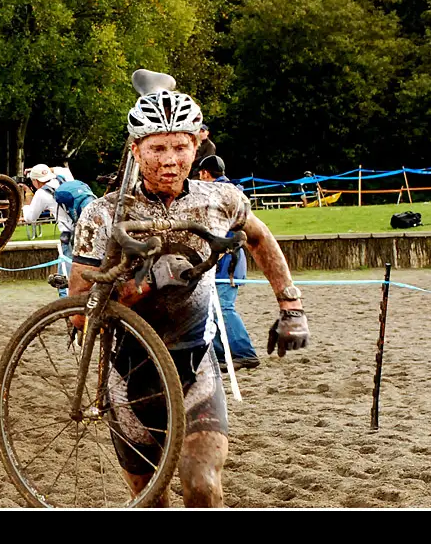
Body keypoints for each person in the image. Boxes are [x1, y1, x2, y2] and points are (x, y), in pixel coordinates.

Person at [68, 85, 309, 508]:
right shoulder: (103, 214)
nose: (169, 161)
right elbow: (78, 313)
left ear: (198, 143)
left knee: (202, 488)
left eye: (180, 147)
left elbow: (259, 236)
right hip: (129, 374)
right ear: (135, 149)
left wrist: (290, 306)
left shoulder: (220, 199)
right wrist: (130, 288)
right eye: (157, 147)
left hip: (196, 365)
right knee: (150, 499)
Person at [197, 155, 260, 371]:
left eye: (200, 174)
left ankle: (244, 352)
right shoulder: (233, 193)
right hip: (226, 260)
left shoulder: (218, 195)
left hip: (227, 262)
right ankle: (220, 355)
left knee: (223, 308)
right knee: (210, 309)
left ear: (206, 174)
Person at [22, 164, 74, 297]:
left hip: (70, 236)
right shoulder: (64, 178)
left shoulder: (41, 193)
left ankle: (67, 307)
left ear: (35, 181)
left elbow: (29, 218)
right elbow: (61, 169)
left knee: (63, 276)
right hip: (85, 230)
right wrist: (38, 171)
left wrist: (27, 194)